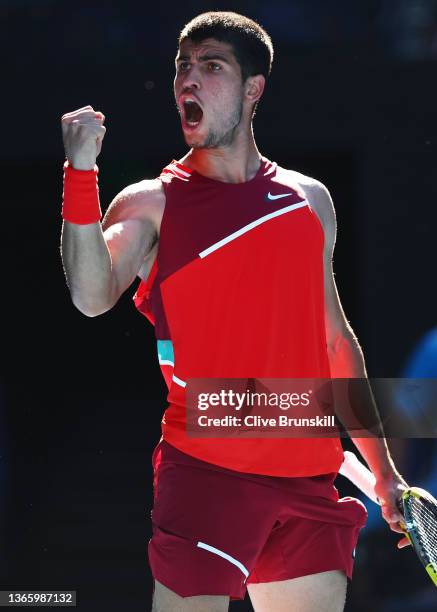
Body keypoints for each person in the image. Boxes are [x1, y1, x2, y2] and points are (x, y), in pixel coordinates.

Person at [60, 11, 409, 612]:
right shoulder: (152, 205)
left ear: (254, 89)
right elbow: (91, 295)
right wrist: (81, 172)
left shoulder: (308, 202)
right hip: (205, 476)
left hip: (308, 481)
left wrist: (384, 471)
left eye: (211, 66)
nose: (188, 81)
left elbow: (335, 342)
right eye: (182, 68)